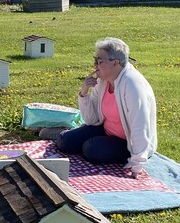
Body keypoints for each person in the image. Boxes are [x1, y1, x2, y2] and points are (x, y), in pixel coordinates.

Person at [43, 37, 157, 178]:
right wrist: (84, 92)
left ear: (115, 63)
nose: (95, 65)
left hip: (128, 142)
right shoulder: (103, 81)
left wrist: (137, 165)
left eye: (99, 61)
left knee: (91, 149)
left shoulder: (132, 85)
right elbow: (91, 120)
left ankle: (89, 143)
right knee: (64, 142)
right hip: (105, 131)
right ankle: (64, 133)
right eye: (95, 60)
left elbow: (141, 126)